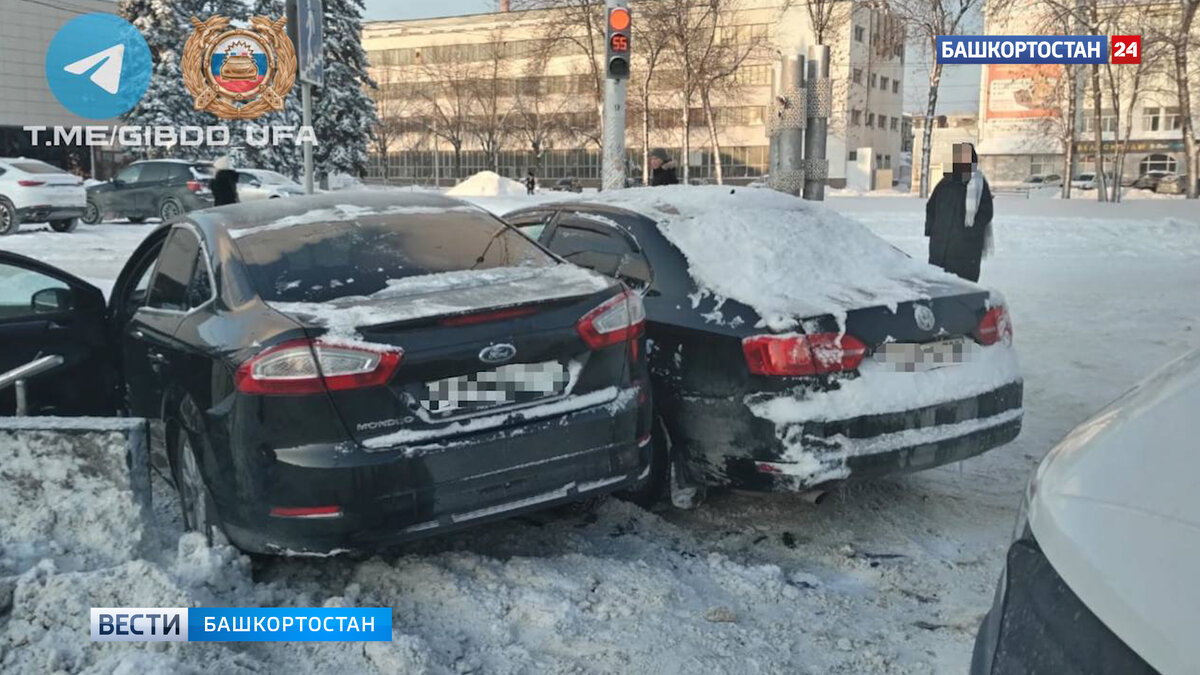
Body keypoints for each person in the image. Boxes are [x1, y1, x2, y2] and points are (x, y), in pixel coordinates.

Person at [925, 142, 993, 282]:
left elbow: (985, 213)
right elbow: (931, 206)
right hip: (939, 247)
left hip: (965, 249)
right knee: (938, 286)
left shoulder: (978, 183)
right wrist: (932, 229)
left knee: (962, 289)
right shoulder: (946, 182)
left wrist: (969, 233)